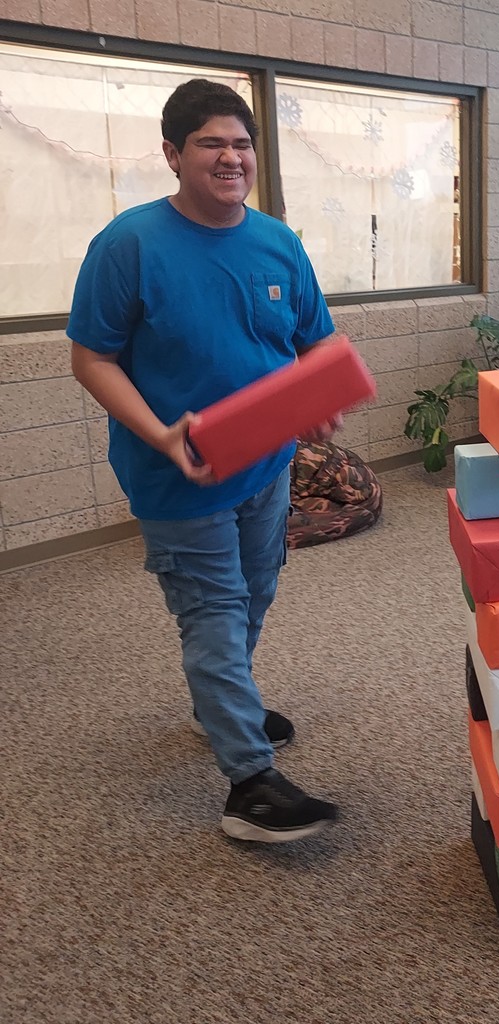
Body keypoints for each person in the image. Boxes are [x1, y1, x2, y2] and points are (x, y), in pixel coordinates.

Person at [67, 78, 339, 844]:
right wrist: (157, 432)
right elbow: (92, 359)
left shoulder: (276, 241)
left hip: (267, 464)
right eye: (212, 143)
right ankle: (248, 785)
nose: (231, 157)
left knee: (255, 592)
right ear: (173, 155)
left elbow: (313, 338)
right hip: (176, 472)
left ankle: (220, 704)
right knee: (212, 612)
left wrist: (318, 390)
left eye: (242, 143)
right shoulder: (129, 243)